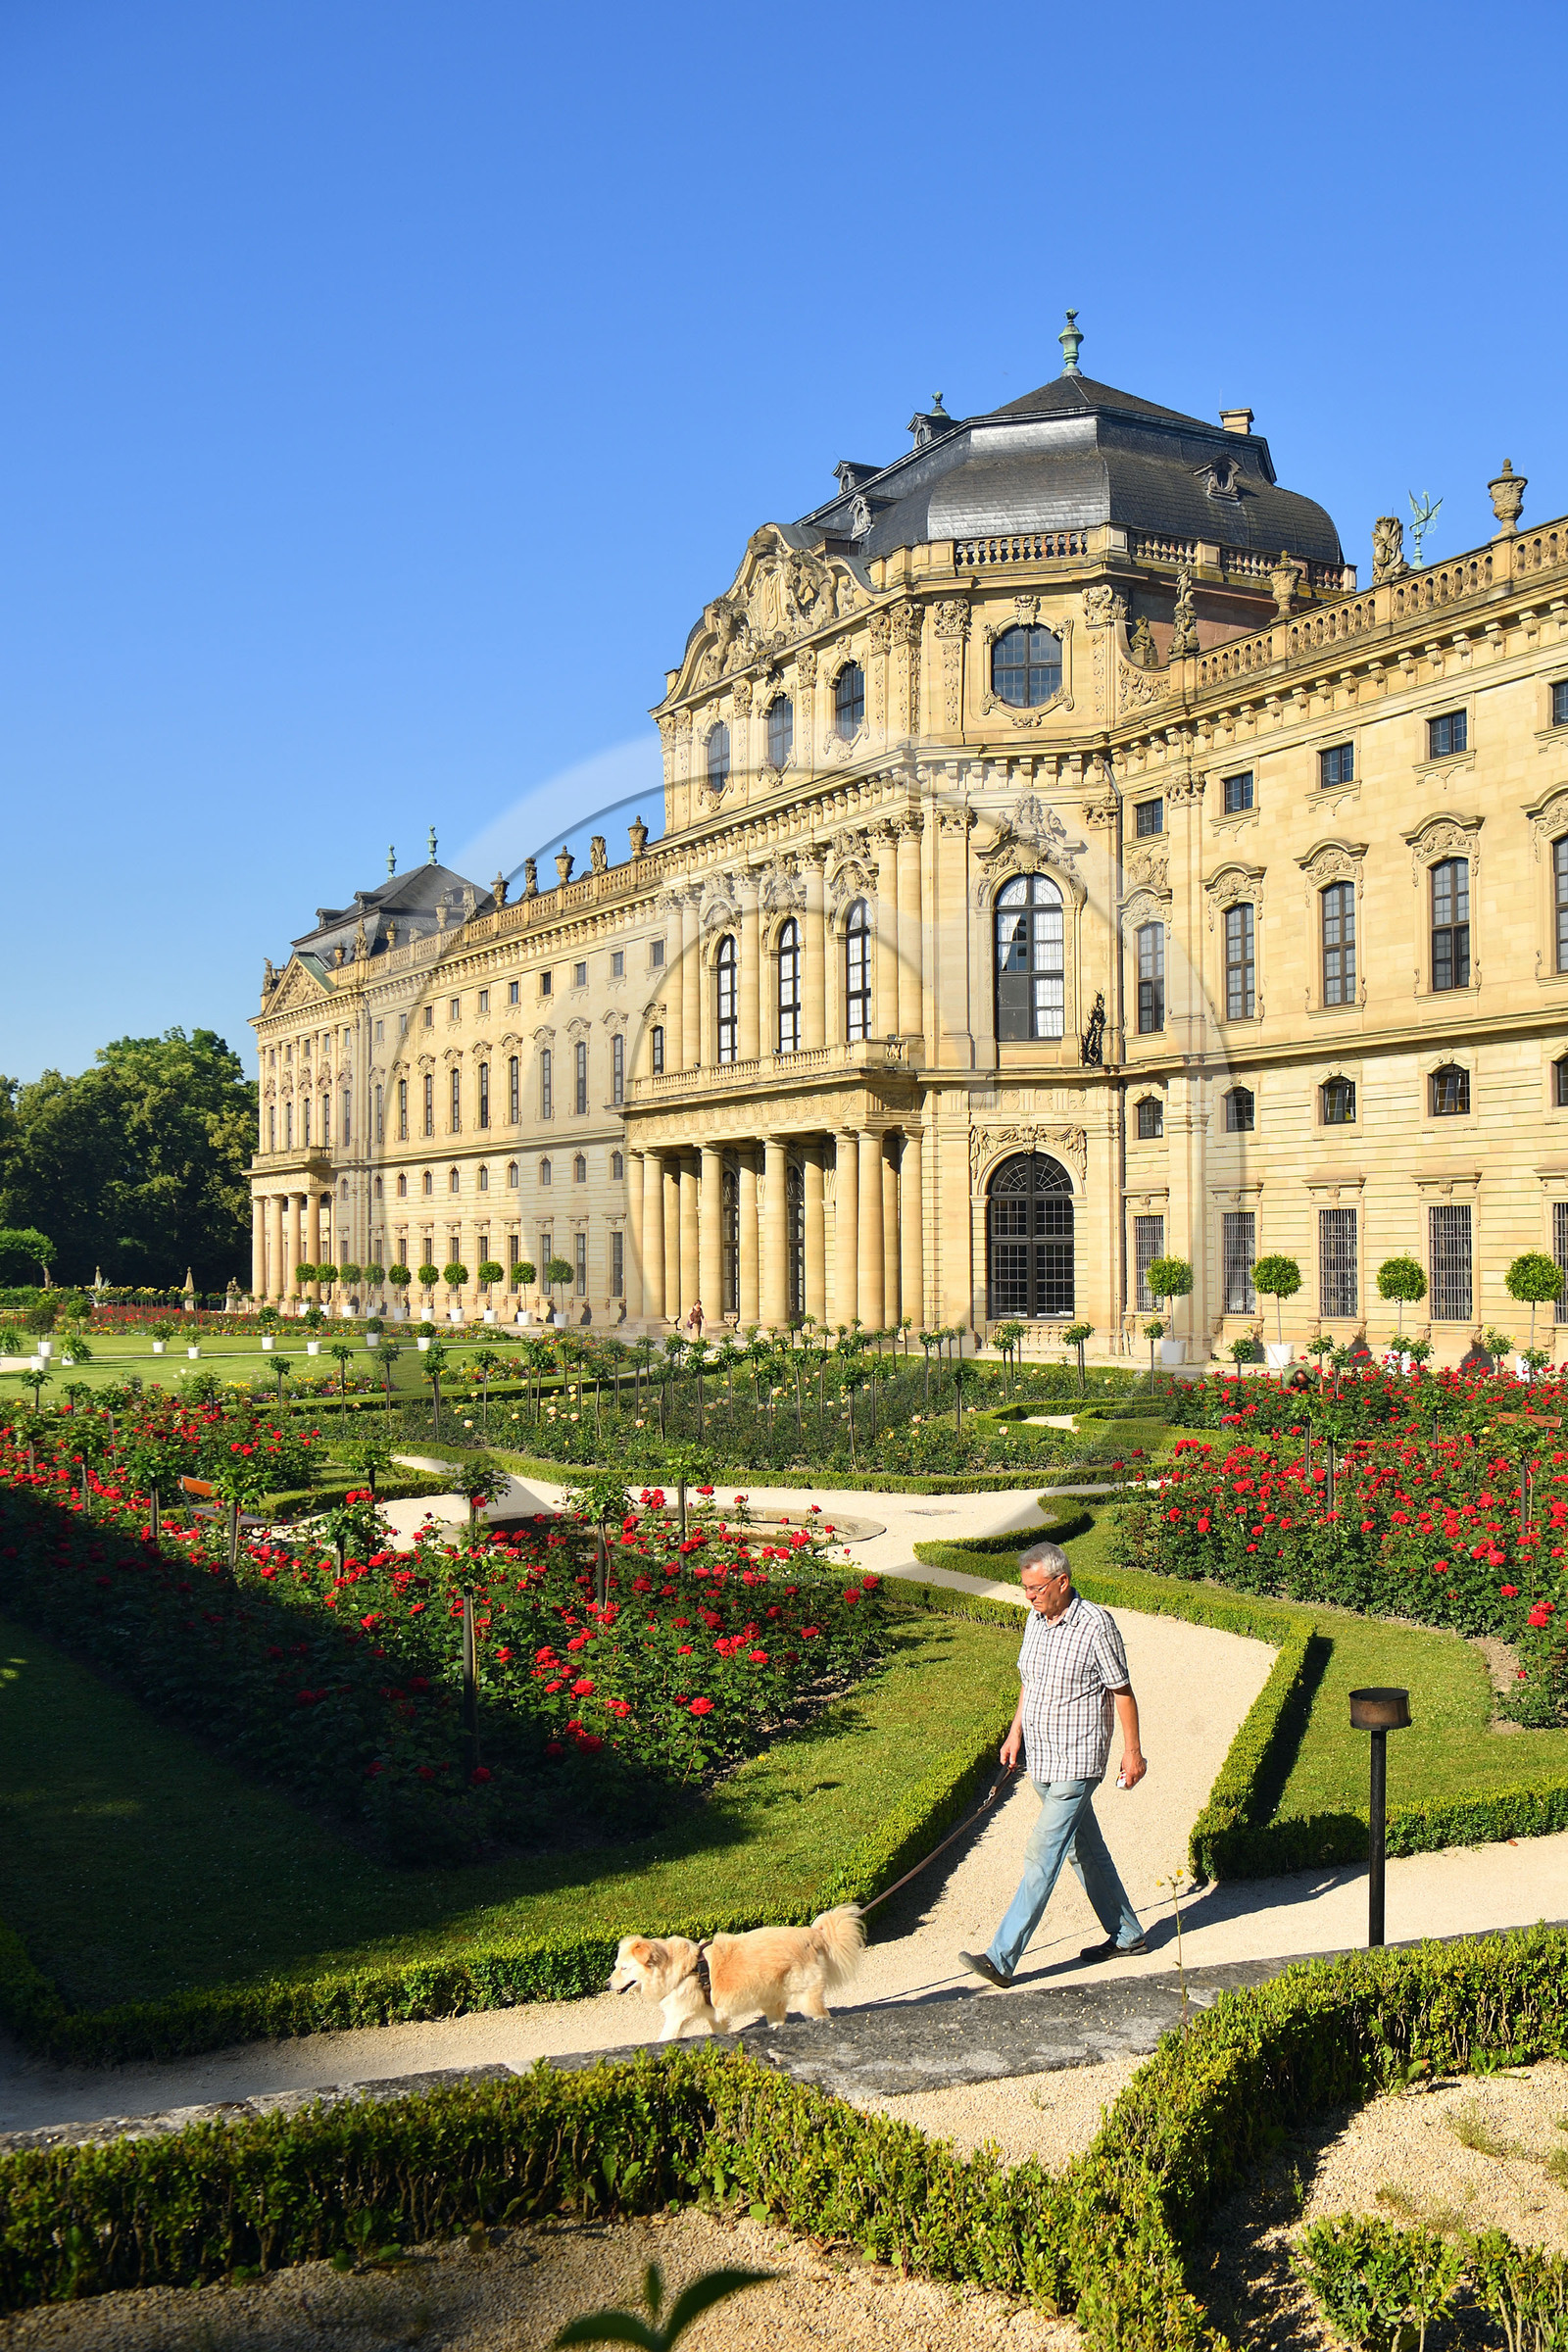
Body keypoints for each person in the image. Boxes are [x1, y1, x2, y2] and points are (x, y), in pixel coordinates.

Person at [958, 1542, 1148, 1987]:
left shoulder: (1097, 1626)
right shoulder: (1035, 1621)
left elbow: (1122, 1691)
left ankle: (1001, 1958)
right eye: (1025, 1588)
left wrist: (1132, 1751)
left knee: (1042, 1855)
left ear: (1062, 1582)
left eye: (1036, 1588)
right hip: (1040, 1757)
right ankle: (1127, 1934)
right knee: (1086, 1852)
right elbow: (1031, 1682)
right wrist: (1015, 1732)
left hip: (1077, 1759)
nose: (1029, 1596)